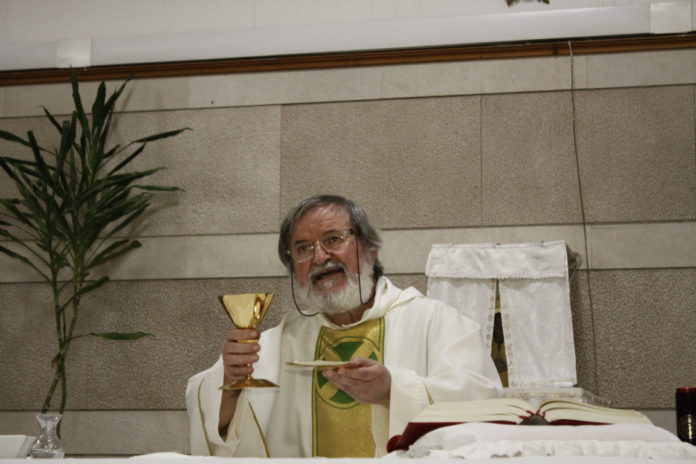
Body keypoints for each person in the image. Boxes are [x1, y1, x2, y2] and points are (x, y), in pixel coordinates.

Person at [186, 195, 501, 457]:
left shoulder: (435, 321)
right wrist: (230, 379)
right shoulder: (280, 341)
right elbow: (211, 410)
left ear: (370, 249)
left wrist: (393, 390)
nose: (320, 257)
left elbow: (483, 403)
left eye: (333, 239)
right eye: (303, 248)